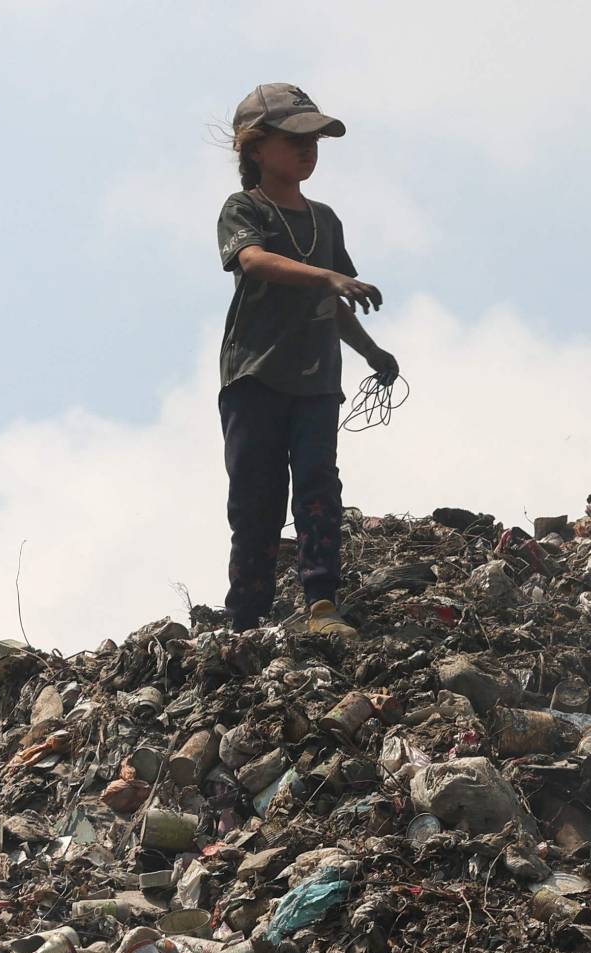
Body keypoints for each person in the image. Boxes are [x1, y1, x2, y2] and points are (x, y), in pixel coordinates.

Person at [216, 83, 399, 638]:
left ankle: (321, 601)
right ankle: (247, 617)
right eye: (294, 139)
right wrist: (326, 275)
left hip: (317, 380)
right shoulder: (244, 208)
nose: (307, 149)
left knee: (319, 483)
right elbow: (252, 260)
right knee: (256, 497)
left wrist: (372, 352)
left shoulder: (326, 220)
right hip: (255, 375)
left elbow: (332, 305)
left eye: (314, 139)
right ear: (254, 147)